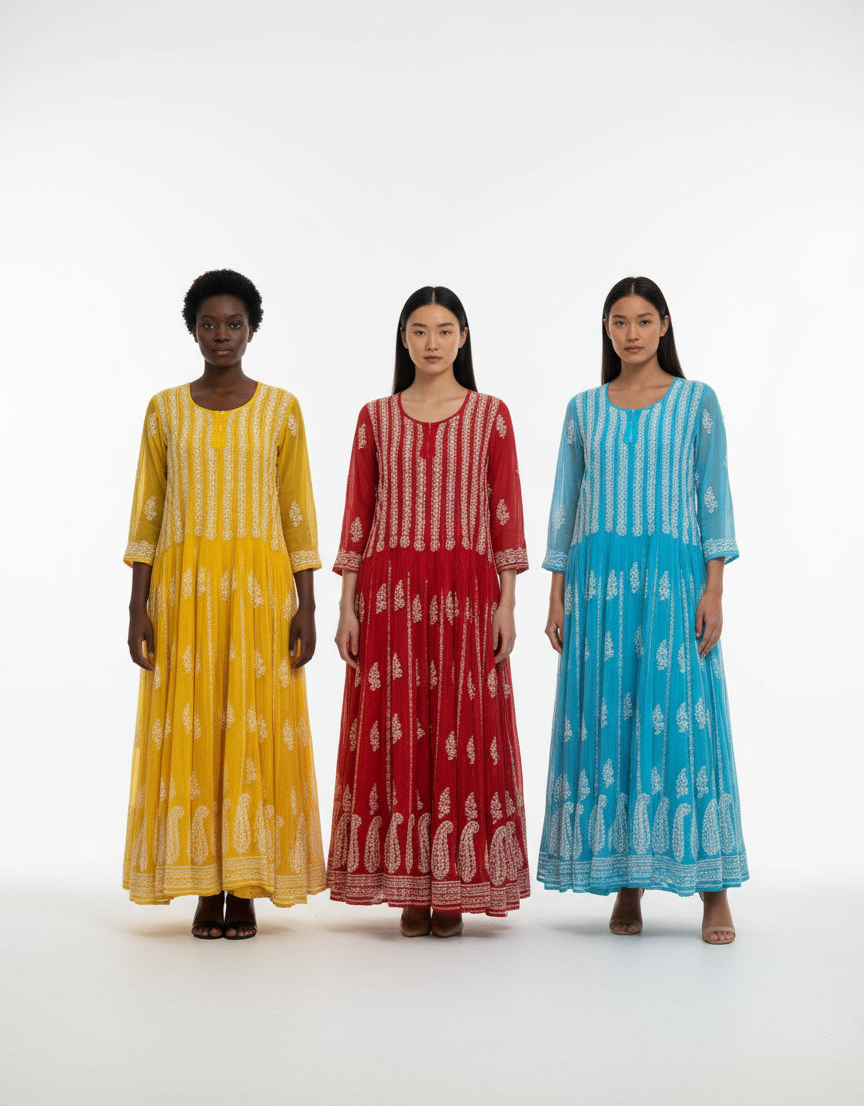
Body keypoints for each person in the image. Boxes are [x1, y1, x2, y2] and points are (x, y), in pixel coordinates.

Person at [537, 277, 747, 944]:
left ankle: (713, 891)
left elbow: (712, 497)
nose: (631, 332)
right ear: (607, 330)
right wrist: (556, 592)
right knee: (611, 719)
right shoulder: (583, 410)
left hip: (672, 579)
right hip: (600, 587)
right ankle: (625, 880)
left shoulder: (695, 402)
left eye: (644, 319)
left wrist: (713, 590)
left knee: (685, 722)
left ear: (664, 327)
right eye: (619, 320)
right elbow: (565, 507)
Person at [123, 269, 326, 939]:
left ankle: (245, 887)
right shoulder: (164, 410)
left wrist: (308, 606)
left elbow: (297, 512)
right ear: (191, 328)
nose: (220, 336)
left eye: (232, 324)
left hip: (260, 598)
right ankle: (203, 889)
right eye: (208, 324)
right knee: (195, 729)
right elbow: (147, 515)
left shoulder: (281, 409)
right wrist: (137, 606)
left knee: (250, 730)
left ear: (252, 329)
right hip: (185, 599)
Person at [329, 286, 530, 937]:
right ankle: (410, 886)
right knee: (400, 732)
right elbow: (357, 514)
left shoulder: (491, 416)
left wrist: (507, 601)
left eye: (445, 330)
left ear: (463, 337)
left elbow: (505, 513)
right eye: (420, 330)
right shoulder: (375, 417)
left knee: (460, 728)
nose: (433, 342)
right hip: (390, 600)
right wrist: (347, 605)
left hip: (465, 600)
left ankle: (453, 889)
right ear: (404, 339)